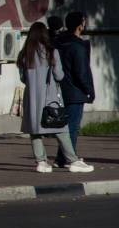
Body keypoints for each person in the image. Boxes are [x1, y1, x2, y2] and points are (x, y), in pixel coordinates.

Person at [18, 21, 93, 173]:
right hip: (50, 96)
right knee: (61, 128)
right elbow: (59, 75)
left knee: (35, 130)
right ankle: (72, 160)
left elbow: (23, 78)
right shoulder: (51, 52)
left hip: (31, 98)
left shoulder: (25, 54)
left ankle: (41, 162)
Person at [53, 11, 96, 167]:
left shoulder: (59, 43)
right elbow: (81, 72)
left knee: (67, 126)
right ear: (80, 26)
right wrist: (88, 90)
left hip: (63, 90)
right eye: (83, 22)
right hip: (76, 92)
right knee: (72, 126)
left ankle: (62, 158)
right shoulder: (77, 47)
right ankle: (69, 158)